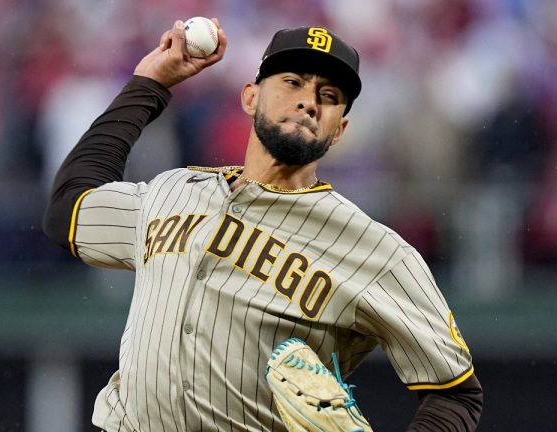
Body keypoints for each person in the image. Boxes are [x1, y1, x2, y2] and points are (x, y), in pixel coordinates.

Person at [43, 18, 483, 432]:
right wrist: (149, 83)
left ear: (339, 129)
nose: (308, 102)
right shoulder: (171, 191)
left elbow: (456, 393)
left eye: (329, 96)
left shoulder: (376, 251)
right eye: (292, 82)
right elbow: (68, 210)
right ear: (250, 97)